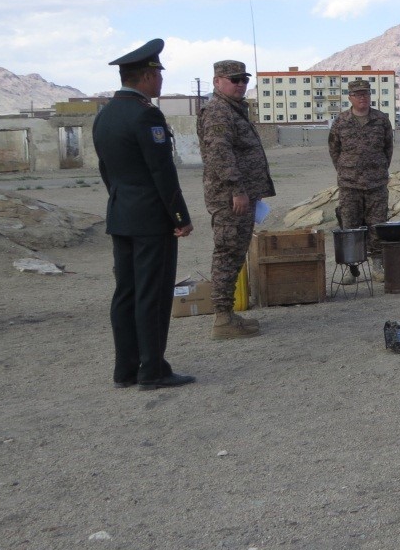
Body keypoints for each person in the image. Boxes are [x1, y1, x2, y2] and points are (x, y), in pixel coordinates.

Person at [91, 39, 195, 389]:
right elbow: (161, 171)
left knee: (126, 293)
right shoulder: (146, 114)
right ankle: (152, 369)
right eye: (158, 74)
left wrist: (122, 200)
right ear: (148, 76)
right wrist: (179, 217)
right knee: (153, 293)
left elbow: (106, 169)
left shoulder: (105, 114)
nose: (161, 80)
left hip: (122, 214)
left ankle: (125, 369)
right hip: (151, 219)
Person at [197, 59, 274, 339]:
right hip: (230, 199)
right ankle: (222, 319)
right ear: (217, 82)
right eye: (234, 79)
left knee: (235, 253)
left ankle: (227, 314)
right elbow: (220, 154)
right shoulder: (218, 111)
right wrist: (237, 190)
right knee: (227, 254)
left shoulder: (233, 109)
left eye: (244, 79)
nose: (241, 84)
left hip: (241, 195)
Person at [328, 77, 394, 281]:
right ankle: (351, 269)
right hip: (349, 184)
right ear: (350, 97)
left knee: (377, 224)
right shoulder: (341, 121)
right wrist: (346, 170)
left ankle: (377, 266)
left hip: (376, 183)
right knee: (350, 225)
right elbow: (334, 149)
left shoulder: (381, 119)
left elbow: (388, 148)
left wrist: (378, 169)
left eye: (365, 93)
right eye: (357, 94)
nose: (362, 97)